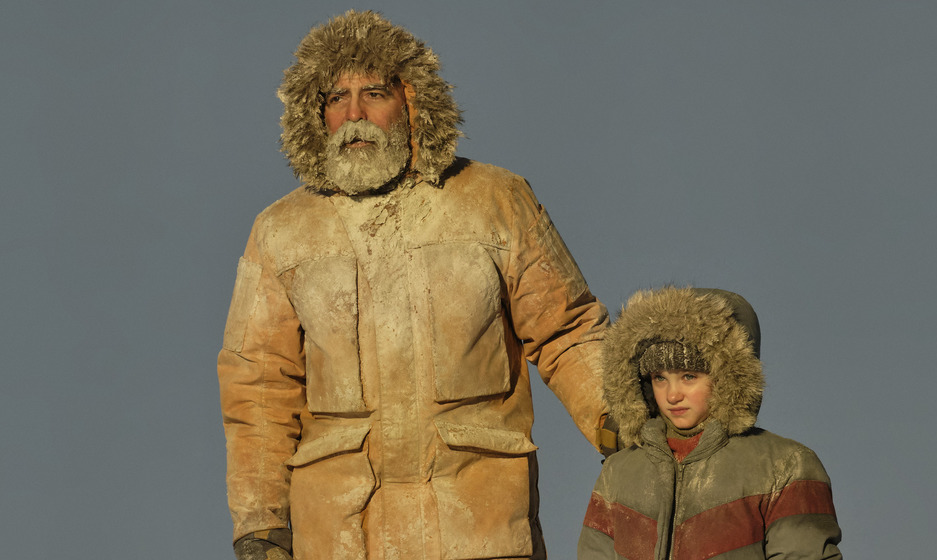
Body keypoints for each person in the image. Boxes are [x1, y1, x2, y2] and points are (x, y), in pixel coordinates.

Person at [218, 10, 613, 560]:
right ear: (316, 116)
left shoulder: (494, 200)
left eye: (374, 93)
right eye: (336, 98)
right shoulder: (281, 231)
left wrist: (628, 432)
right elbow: (258, 384)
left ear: (412, 102)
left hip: (478, 529)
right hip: (338, 536)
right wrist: (260, 522)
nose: (354, 115)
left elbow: (567, 332)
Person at [578, 287, 842, 559]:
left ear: (727, 376)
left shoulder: (785, 466)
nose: (672, 394)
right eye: (660, 378)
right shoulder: (619, 472)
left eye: (689, 376)